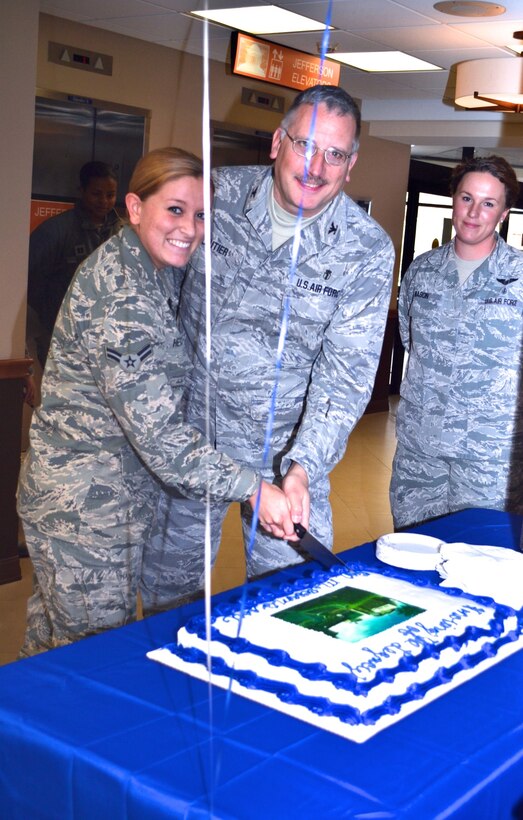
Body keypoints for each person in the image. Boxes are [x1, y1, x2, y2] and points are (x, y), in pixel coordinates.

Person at [17, 147, 297, 656]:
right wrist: (253, 488)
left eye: (201, 215)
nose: (189, 228)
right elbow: (162, 439)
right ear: (135, 206)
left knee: (49, 655)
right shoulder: (123, 296)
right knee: (95, 660)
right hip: (84, 514)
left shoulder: (153, 267)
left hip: (101, 502)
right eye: (175, 209)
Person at [147, 85, 395, 608]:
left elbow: (345, 377)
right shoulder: (214, 196)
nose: (316, 167)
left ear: (351, 165)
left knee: (297, 599)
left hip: (283, 454)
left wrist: (303, 468)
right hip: (191, 439)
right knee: (170, 597)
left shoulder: (365, 249)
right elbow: (154, 293)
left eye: (335, 154)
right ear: (278, 142)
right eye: (306, 145)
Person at [390, 154, 523, 530]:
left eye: (488, 203)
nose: (474, 212)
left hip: (490, 461)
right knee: (413, 549)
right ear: (454, 200)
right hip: (419, 454)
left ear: (504, 213)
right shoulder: (422, 271)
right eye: (467, 198)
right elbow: (411, 342)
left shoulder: (519, 276)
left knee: (482, 554)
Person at [27, 160, 124, 368]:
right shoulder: (55, 231)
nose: (104, 201)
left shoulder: (122, 232)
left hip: (106, 336)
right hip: (60, 333)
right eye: (96, 194)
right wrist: (48, 320)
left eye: (110, 195)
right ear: (82, 191)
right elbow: (30, 281)